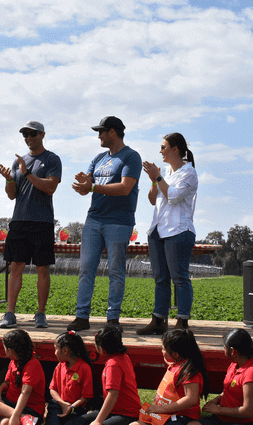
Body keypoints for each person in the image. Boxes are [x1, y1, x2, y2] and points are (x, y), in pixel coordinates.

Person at [68, 116, 141, 332]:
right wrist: (84, 183)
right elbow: (89, 184)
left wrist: (91, 188)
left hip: (119, 221)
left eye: (101, 131)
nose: (98, 136)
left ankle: (113, 319)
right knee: (85, 268)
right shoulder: (99, 158)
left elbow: (125, 187)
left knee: (116, 270)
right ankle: (82, 317)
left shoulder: (131, 157)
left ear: (113, 132)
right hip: (94, 219)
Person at [0, 120, 62, 329]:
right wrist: (9, 179)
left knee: (42, 268)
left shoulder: (52, 159)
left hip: (42, 221)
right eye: (25, 134)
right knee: (15, 266)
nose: (28, 138)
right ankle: (9, 313)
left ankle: (40, 314)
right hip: (19, 221)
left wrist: (27, 174)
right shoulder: (18, 162)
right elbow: (12, 195)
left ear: (42, 135)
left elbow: (50, 187)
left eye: (32, 134)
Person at [137, 133, 198, 335]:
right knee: (160, 278)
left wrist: (158, 177)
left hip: (179, 231)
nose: (161, 151)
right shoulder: (164, 172)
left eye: (164, 147)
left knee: (179, 278)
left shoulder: (189, 173)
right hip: (158, 230)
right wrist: (154, 181)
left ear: (175, 149)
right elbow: (153, 199)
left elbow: (173, 197)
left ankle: (182, 322)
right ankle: (159, 320)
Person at [131, 329, 209, 425]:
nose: (161, 351)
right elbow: (170, 361)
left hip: (182, 417)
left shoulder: (189, 372)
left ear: (175, 355)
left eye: (163, 349)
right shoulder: (176, 364)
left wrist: (162, 408)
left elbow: (191, 399)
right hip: (164, 414)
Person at [189, 329, 253, 425]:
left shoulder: (251, 373)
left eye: (224, 348)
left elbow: (248, 412)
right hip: (225, 418)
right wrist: (216, 400)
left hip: (245, 422)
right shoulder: (234, 364)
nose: (223, 350)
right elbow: (228, 391)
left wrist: (218, 409)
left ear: (232, 351)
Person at [0, 329, 46, 425]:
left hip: (30, 409)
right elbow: (7, 382)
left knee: (5, 422)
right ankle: (24, 418)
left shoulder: (32, 365)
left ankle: (22, 417)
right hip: (11, 406)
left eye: (4, 348)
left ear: (10, 350)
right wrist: (1, 388)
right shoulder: (13, 361)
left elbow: (25, 393)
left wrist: (15, 415)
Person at [78, 325, 140, 425]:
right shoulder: (123, 357)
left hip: (127, 414)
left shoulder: (113, 364)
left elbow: (113, 395)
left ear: (101, 349)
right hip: (115, 410)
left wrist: (98, 421)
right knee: (81, 421)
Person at [46, 331, 94, 425]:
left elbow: (86, 397)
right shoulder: (60, 366)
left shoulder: (84, 368)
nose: (55, 353)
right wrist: (62, 403)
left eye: (56, 349)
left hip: (75, 409)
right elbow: (53, 389)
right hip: (58, 406)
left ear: (65, 351)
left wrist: (71, 407)